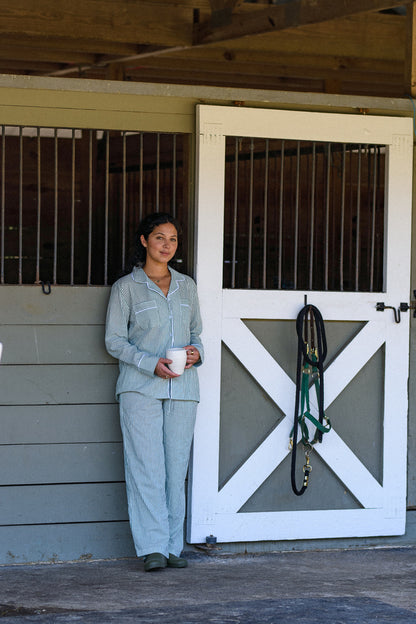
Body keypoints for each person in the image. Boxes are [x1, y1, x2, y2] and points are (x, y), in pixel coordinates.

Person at [105, 212, 203, 572]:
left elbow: (197, 334)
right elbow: (114, 341)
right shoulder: (126, 288)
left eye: (173, 239)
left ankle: (174, 546)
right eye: (160, 237)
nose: (167, 245)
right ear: (144, 241)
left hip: (183, 387)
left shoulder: (186, 286)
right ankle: (153, 548)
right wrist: (149, 363)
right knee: (145, 467)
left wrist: (196, 353)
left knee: (175, 469)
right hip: (139, 387)